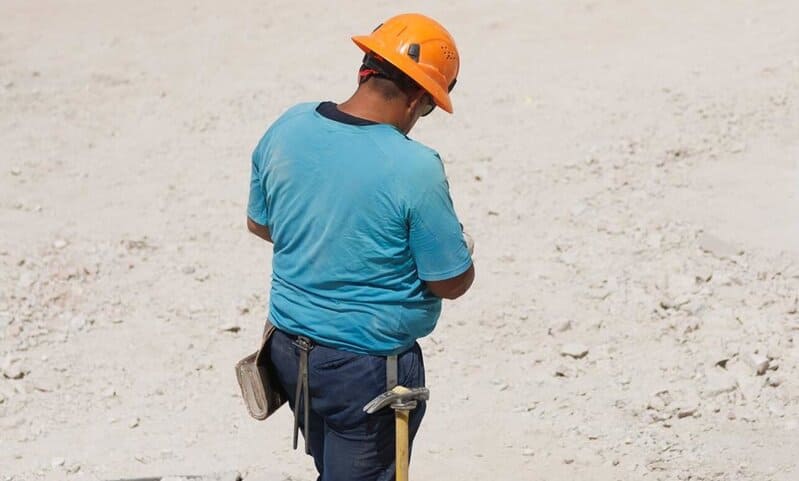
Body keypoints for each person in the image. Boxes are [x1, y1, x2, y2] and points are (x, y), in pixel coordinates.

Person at [246, 13, 475, 481]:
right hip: (368, 373)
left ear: (363, 69)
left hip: (289, 351)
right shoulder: (414, 167)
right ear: (418, 97)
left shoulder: (289, 125)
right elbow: (450, 282)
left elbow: (262, 224)